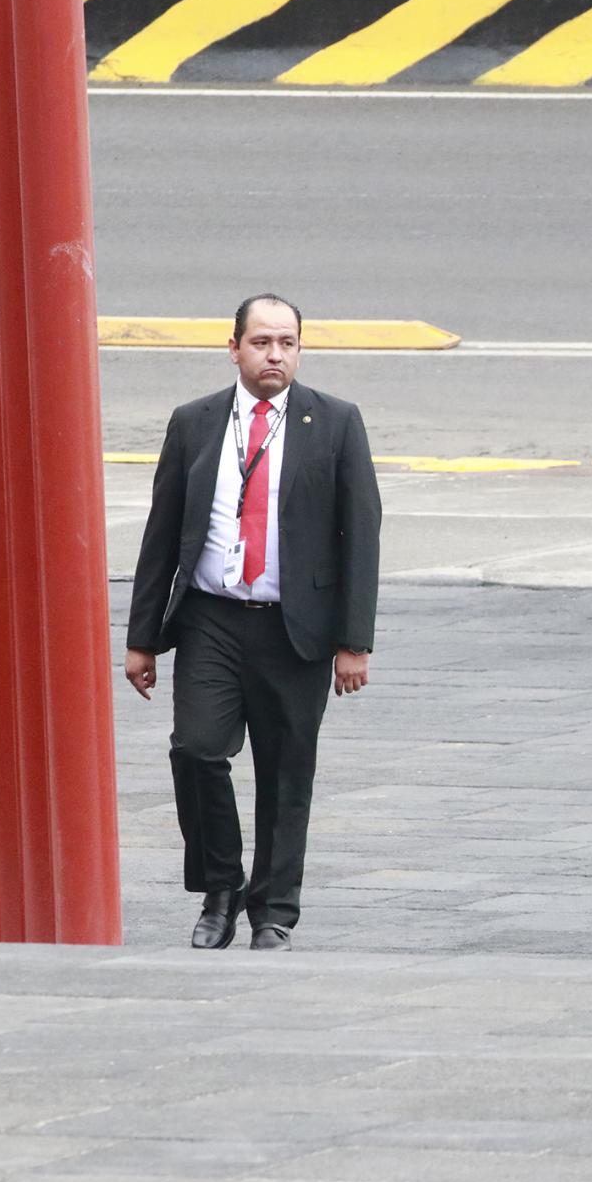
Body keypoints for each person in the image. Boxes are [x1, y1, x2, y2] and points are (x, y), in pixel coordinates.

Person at [124, 294, 382, 952]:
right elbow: (161, 534)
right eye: (262, 342)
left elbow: (362, 536)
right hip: (211, 617)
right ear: (234, 347)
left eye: (287, 343)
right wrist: (142, 638)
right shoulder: (195, 422)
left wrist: (354, 641)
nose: (274, 354)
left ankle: (273, 913)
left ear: (299, 350)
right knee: (197, 750)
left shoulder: (336, 423)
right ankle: (220, 888)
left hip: (295, 626)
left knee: (286, 771)